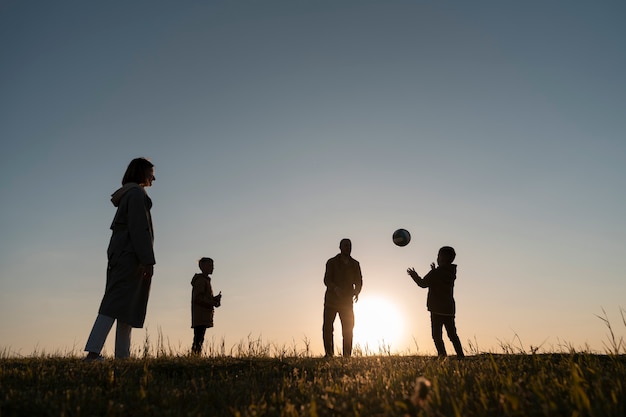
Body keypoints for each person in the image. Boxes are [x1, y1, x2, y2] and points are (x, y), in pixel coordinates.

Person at [84, 157, 156, 361]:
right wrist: (148, 260)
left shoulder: (129, 194)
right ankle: (93, 352)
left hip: (124, 256)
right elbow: (139, 230)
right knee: (114, 303)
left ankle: (122, 356)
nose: (154, 177)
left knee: (127, 306)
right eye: (151, 173)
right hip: (130, 257)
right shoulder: (135, 194)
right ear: (142, 172)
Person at [407, 246, 464, 358]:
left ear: (442, 258)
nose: (437, 258)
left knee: (437, 336)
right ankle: (461, 356)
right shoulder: (451, 272)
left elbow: (423, 283)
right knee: (452, 334)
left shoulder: (436, 273)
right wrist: (434, 270)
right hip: (449, 309)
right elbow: (441, 281)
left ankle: (442, 356)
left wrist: (414, 275)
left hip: (437, 309)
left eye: (438, 256)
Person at [322, 238, 363, 357]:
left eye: (349, 246)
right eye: (345, 246)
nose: (348, 248)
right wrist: (335, 288)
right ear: (340, 247)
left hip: (346, 302)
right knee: (328, 328)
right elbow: (327, 280)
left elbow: (359, 281)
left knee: (348, 328)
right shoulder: (331, 262)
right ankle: (329, 354)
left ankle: (347, 356)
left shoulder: (355, 264)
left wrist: (357, 291)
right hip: (331, 301)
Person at [191, 257, 222, 355]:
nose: (212, 268)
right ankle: (195, 356)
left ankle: (195, 356)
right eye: (210, 266)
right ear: (202, 267)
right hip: (201, 315)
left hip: (202, 315)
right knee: (198, 337)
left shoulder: (205, 280)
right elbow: (199, 298)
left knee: (199, 337)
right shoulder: (201, 281)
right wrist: (213, 302)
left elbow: (204, 297)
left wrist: (214, 299)